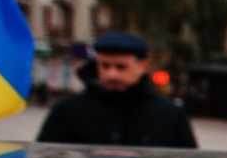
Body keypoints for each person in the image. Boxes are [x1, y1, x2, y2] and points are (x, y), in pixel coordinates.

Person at [37, 32, 197, 148]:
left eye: (121, 67)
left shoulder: (171, 116)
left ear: (142, 66)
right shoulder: (67, 111)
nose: (111, 74)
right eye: (104, 65)